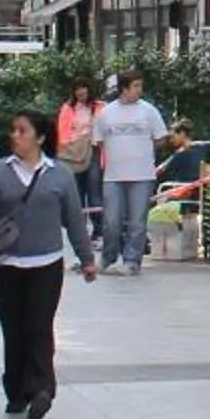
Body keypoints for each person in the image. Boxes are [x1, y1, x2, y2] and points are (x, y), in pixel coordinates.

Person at [0, 108, 97, 419]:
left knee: (39, 327)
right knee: (14, 329)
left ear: (39, 136)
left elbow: (74, 220)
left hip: (46, 264)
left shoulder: (59, 174)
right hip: (6, 264)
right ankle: (15, 390)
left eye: (22, 130)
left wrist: (86, 258)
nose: (15, 136)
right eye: (13, 129)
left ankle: (41, 389)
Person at [90, 72, 167, 275]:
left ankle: (132, 261)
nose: (139, 89)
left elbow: (160, 138)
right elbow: (98, 141)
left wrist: (141, 151)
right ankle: (108, 257)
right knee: (111, 221)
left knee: (137, 221)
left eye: (140, 85)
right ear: (123, 88)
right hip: (113, 176)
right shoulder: (106, 113)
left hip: (142, 175)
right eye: (135, 85)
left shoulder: (149, 111)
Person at [56, 77, 103, 241]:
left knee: (94, 191)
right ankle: (78, 230)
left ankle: (98, 230)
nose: (80, 92)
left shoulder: (99, 107)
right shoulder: (68, 108)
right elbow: (62, 133)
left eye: (83, 88)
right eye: (77, 89)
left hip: (94, 151)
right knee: (76, 192)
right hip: (73, 154)